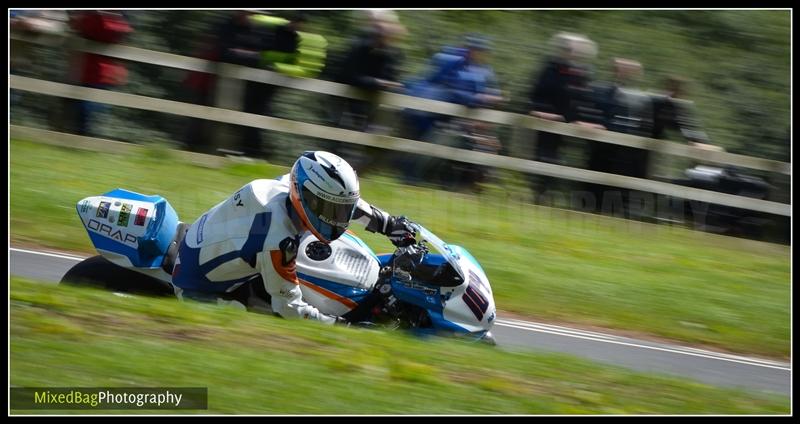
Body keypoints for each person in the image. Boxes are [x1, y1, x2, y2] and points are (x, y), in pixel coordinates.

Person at [171, 151, 416, 324]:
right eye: (332, 211)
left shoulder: (288, 184)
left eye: (341, 210)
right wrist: (341, 326)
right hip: (199, 290)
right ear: (304, 196)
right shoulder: (278, 239)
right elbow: (289, 308)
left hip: (208, 244)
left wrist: (388, 224)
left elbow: (349, 204)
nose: (339, 218)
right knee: (263, 324)